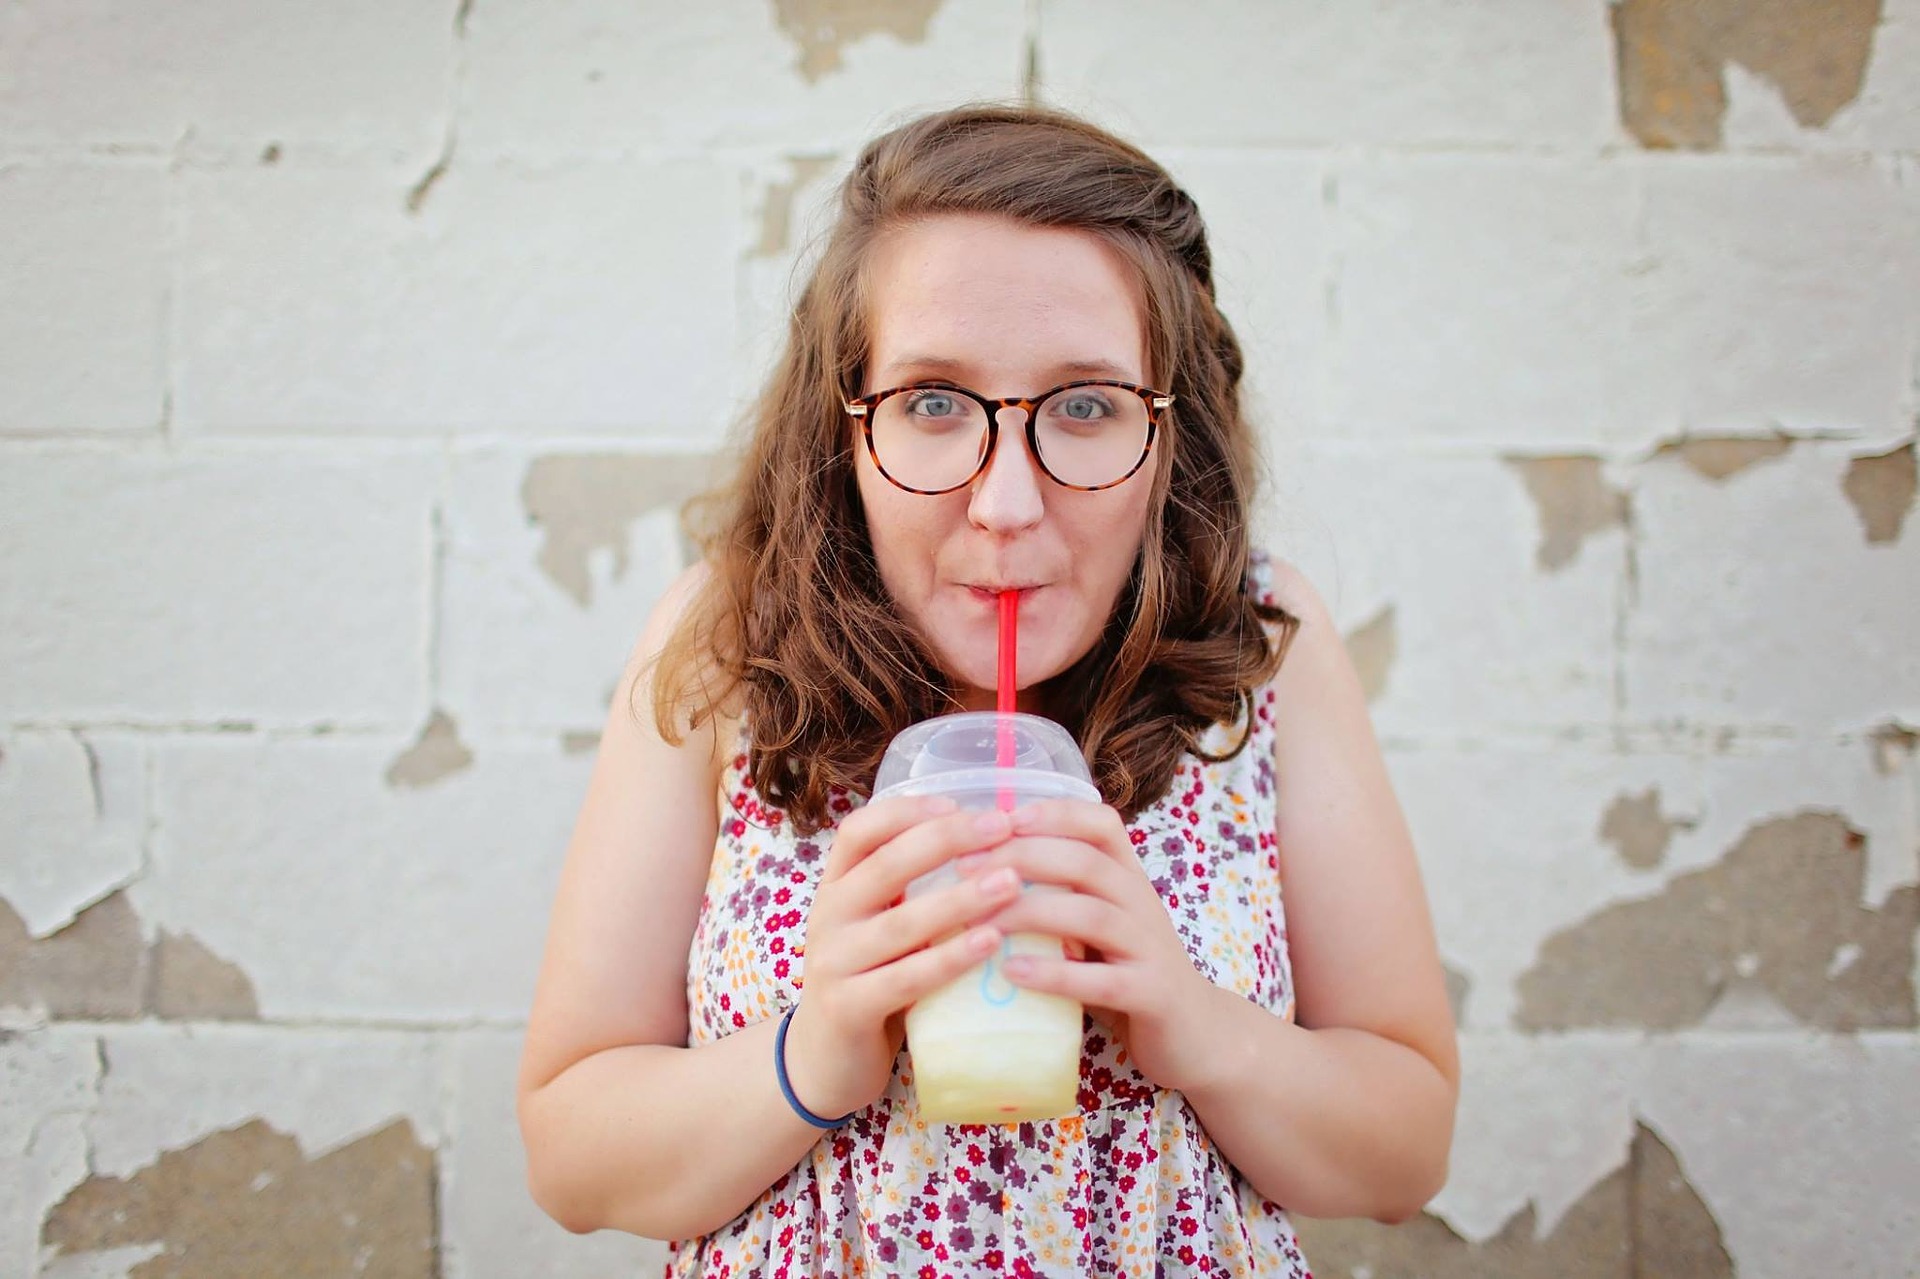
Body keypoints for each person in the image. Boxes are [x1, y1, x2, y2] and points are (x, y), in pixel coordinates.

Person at [517, 103, 1458, 1278]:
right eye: (930, 402)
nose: (1007, 504)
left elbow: (1404, 1152)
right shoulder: (723, 647)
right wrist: (817, 1053)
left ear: (1173, 432)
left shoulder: (1267, 648)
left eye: (1084, 404)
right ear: (842, 426)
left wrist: (1195, 1025)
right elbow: (569, 1155)